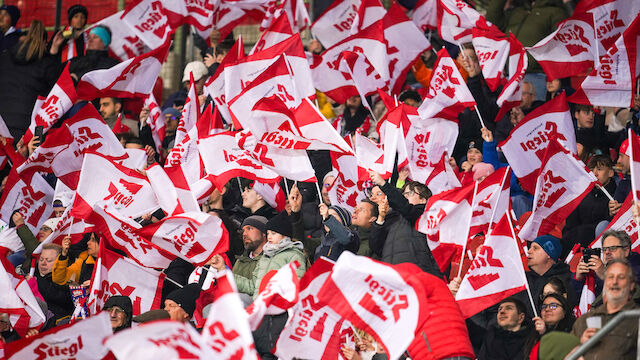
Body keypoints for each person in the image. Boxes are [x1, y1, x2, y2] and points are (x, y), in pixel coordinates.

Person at [367, 172, 442, 277]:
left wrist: (383, 184)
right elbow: (376, 247)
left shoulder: (423, 215)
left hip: (417, 275)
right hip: (392, 276)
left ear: (423, 200)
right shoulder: (393, 217)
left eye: (410, 193)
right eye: (404, 194)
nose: (405, 196)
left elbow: (405, 208)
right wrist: (381, 218)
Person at [0, 20, 60, 139]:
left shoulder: (4, 57)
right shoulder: (47, 63)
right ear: (44, 43)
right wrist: (54, 54)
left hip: (2, 125)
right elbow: (56, 93)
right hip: (27, 130)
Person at [571, 259, 638, 359]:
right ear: (605, 282)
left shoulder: (637, 319)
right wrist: (580, 346)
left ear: (632, 285)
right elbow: (566, 355)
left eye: (621, 277)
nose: (614, 282)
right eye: (610, 277)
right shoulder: (583, 321)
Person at [562, 155, 616, 254]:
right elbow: (569, 229)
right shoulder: (580, 195)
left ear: (611, 173)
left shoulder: (617, 196)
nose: (594, 174)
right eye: (591, 170)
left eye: (599, 169)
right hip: (576, 247)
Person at [574, 230, 640, 307]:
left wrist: (604, 275)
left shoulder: (637, 269)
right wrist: (578, 279)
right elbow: (577, 301)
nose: (607, 252)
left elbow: (626, 296)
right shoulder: (600, 268)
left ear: (626, 251)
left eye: (613, 248)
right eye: (605, 249)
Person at [526, 235, 576, 310]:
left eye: (535, 248)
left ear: (549, 254)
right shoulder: (525, 279)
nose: (529, 251)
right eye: (530, 248)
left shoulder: (564, 280)